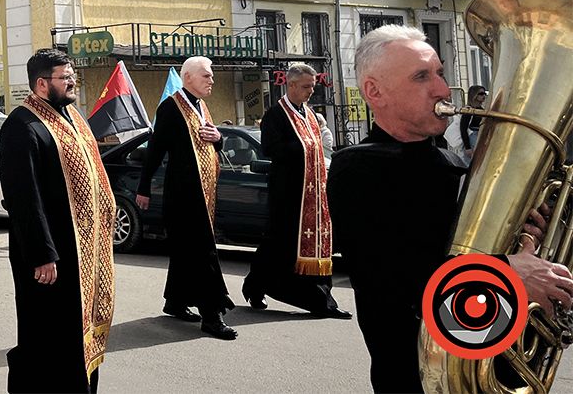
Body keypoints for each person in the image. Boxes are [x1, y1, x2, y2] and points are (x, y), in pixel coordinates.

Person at [329, 25, 573, 393]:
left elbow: (468, 255)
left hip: (495, 358)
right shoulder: (357, 168)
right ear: (374, 92)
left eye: (440, 73)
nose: (443, 89)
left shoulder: (451, 162)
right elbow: (397, 280)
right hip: (419, 376)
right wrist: (509, 270)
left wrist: (525, 239)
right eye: (421, 77)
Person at [0, 49, 115, 393]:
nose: (72, 82)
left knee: (76, 336)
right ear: (41, 83)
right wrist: (42, 254)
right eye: (65, 78)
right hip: (49, 257)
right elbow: (23, 197)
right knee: (45, 338)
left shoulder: (74, 118)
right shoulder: (21, 126)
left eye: (72, 76)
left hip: (83, 252)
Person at [137, 56, 236, 340]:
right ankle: (212, 315)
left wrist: (218, 138)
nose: (212, 80)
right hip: (183, 197)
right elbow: (154, 150)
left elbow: (211, 144)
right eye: (206, 75)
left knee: (184, 253)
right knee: (202, 254)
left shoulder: (201, 106)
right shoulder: (171, 107)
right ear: (188, 77)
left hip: (202, 195)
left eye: (212, 75)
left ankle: (176, 302)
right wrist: (143, 188)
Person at [243, 63, 349, 319]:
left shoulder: (310, 115)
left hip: (313, 194)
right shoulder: (275, 115)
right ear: (290, 85)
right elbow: (270, 148)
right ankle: (256, 285)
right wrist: (300, 146)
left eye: (312, 86)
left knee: (315, 246)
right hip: (288, 194)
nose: (310, 91)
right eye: (305, 87)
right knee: (278, 246)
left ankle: (323, 302)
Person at [459, 84, 487, 160]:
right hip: (473, 137)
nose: (483, 96)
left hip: (480, 136)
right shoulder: (469, 110)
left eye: (484, 93)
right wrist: (467, 147)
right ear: (474, 95)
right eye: (481, 94)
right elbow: (463, 129)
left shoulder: (481, 109)